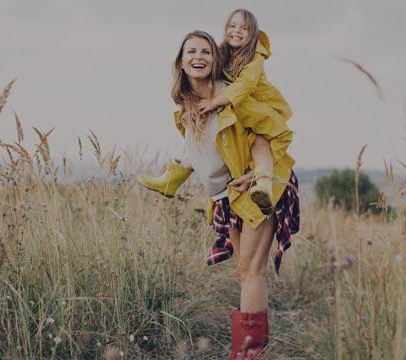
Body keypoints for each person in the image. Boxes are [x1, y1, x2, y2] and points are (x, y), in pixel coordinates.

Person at [146, 30, 299, 359]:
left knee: (251, 270)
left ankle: (248, 353)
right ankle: (249, 350)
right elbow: (206, 152)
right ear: (181, 63)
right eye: (191, 52)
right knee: (245, 272)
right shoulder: (189, 107)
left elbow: (267, 134)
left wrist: (257, 175)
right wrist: (178, 172)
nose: (198, 56)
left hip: (259, 186)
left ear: (215, 61)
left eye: (206, 51)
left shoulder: (231, 95)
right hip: (227, 196)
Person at [139, 9, 293, 217]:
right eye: (232, 26)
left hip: (259, 104)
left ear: (253, 33)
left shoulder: (255, 57)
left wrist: (214, 101)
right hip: (237, 107)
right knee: (204, 143)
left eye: (244, 28)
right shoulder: (224, 52)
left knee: (259, 142)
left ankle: (262, 183)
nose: (237, 31)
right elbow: (207, 62)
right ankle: (172, 179)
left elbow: (244, 86)